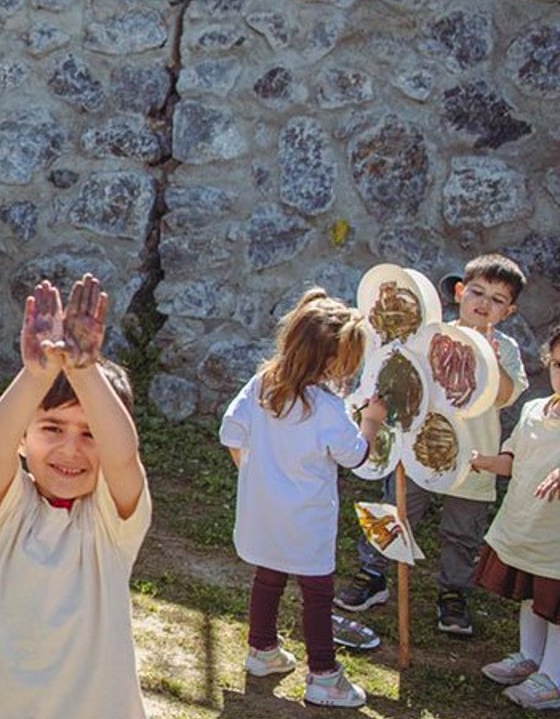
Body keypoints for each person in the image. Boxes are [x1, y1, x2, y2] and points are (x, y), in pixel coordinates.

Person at [0, 274, 153, 718]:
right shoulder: (8, 514)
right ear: (24, 437)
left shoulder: (113, 526)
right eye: (52, 428)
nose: (70, 449)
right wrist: (34, 377)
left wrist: (85, 372)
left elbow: (123, 457)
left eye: (90, 433)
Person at [336, 254, 529, 636]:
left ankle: (453, 594)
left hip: (473, 459)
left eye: (497, 299)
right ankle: (373, 574)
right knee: (397, 511)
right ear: (459, 292)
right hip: (419, 447)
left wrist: (490, 361)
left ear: (509, 311)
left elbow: (506, 395)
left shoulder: (505, 348)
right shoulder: (429, 335)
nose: (484, 303)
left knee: (462, 532)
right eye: (477, 292)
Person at [220, 288, 386, 708]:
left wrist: (257, 476)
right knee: (317, 593)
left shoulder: (263, 384)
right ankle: (324, 676)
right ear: (331, 362)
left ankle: (262, 651)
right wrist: (371, 421)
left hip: (263, 511)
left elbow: (231, 432)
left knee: (268, 577)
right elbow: (356, 456)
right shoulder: (328, 408)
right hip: (307, 519)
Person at [472, 323, 560, 710]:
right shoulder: (533, 410)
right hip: (526, 523)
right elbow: (512, 459)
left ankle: (553, 678)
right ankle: (530, 656)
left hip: (557, 537)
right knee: (532, 594)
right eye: (558, 364)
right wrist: (483, 461)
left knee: (556, 605)